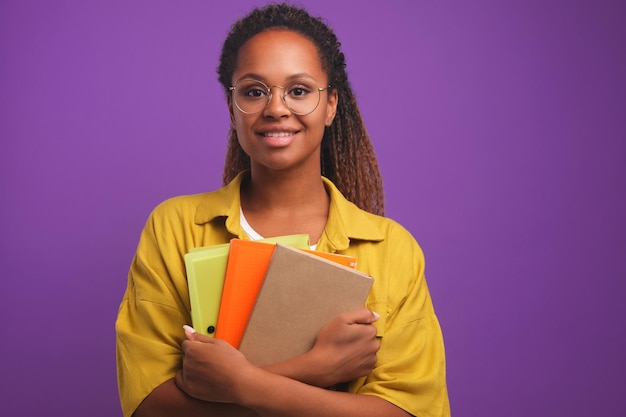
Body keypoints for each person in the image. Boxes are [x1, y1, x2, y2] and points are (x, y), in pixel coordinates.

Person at [116, 3, 450, 417]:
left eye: (299, 90)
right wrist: (316, 367)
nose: (275, 108)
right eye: (255, 91)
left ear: (330, 106)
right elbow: (150, 404)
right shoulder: (176, 227)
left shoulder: (392, 248)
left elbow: (408, 411)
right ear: (231, 107)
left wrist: (237, 382)